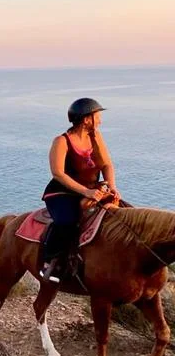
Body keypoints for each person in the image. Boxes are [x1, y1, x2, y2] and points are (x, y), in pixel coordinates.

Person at [40, 98, 120, 282]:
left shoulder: (96, 137)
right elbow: (58, 173)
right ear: (86, 119)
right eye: (97, 116)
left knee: (121, 211)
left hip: (92, 189)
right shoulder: (62, 141)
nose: (99, 120)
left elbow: (106, 164)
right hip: (62, 192)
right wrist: (86, 192)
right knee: (67, 220)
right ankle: (50, 260)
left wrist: (112, 186)